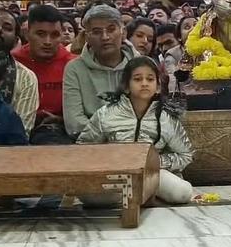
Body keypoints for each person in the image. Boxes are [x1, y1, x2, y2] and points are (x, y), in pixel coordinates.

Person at [77, 56, 194, 204]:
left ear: (158, 85)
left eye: (150, 79)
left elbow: (186, 155)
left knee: (183, 193)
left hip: (153, 174)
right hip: (116, 175)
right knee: (84, 194)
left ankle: (138, 194)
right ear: (126, 86)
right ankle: (141, 196)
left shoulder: (166, 117)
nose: (144, 83)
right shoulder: (106, 114)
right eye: (138, 79)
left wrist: (154, 162)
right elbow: (83, 149)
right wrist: (110, 161)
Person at [63, 4, 139, 138]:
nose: (105, 37)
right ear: (87, 37)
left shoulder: (141, 65)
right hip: (90, 146)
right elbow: (74, 124)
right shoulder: (74, 68)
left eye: (111, 29)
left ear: (123, 33)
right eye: (97, 32)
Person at [11, 5, 77, 144]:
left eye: (54, 35)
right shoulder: (12, 62)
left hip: (62, 133)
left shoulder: (74, 65)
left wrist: (63, 120)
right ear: (27, 33)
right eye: (40, 34)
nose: (48, 42)